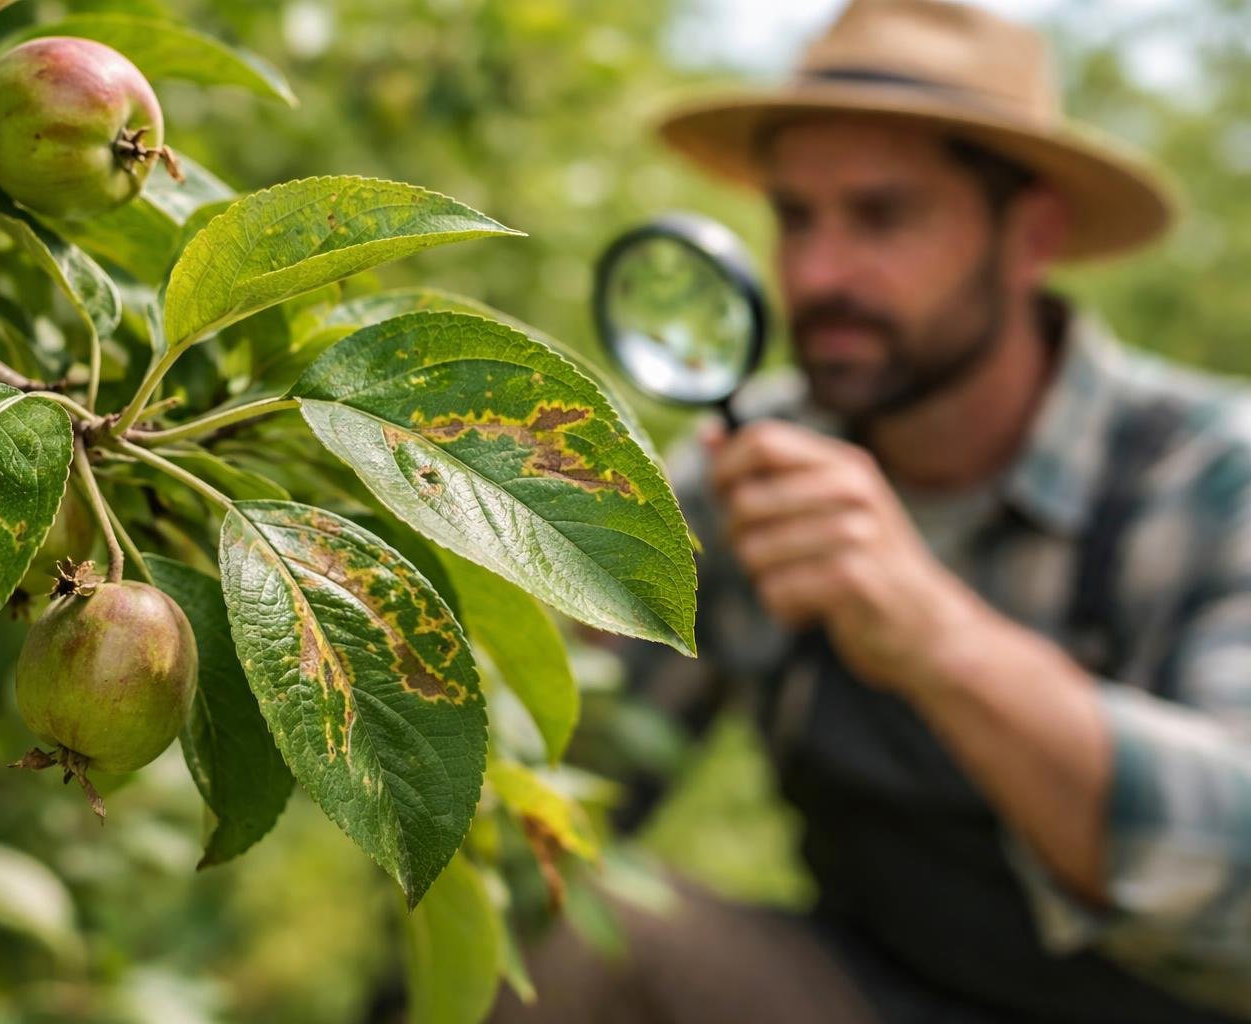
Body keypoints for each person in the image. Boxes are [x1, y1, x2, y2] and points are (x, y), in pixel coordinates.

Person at [491, 1, 1251, 1022]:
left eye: (883, 216)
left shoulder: (1210, 476)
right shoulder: (750, 468)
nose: (817, 275)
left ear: (1031, 236)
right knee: (592, 940)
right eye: (797, 217)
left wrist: (934, 635)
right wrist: (542, 634)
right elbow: (545, 802)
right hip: (874, 991)